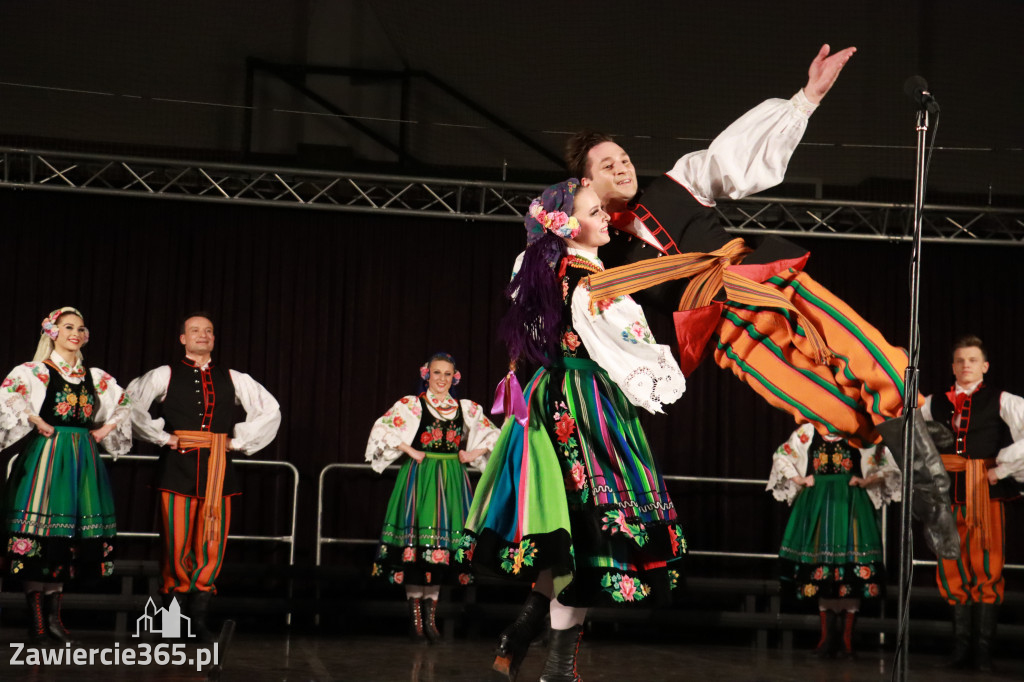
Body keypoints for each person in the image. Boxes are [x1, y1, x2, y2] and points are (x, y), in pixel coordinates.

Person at [565, 44, 958, 559]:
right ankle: (912, 445)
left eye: (625, 157)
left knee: (867, 355)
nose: (623, 167)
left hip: (764, 282)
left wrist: (805, 99)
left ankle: (933, 494)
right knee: (833, 411)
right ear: (585, 182)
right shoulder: (603, 261)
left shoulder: (677, 183)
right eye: (608, 164)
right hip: (726, 334)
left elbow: (734, 157)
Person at [460, 180, 687, 682]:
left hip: (546, 398)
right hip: (586, 408)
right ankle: (558, 670)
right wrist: (668, 367)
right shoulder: (590, 284)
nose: (607, 218)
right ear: (568, 226)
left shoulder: (538, 273)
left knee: (565, 534)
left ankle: (521, 635)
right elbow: (634, 346)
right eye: (595, 211)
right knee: (588, 537)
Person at [126, 312, 281, 641]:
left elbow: (270, 409)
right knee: (174, 545)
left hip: (218, 470)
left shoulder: (234, 377)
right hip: (176, 469)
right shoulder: (165, 375)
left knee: (212, 545)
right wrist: (163, 437)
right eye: (195, 330)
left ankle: (197, 622)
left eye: (208, 331)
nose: (203, 335)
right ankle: (170, 624)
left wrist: (237, 442)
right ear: (182, 338)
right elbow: (130, 404)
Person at [0, 307, 132, 643]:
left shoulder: (95, 376)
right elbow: (9, 394)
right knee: (40, 534)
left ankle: (53, 618)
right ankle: (37, 621)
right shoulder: (35, 371)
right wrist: (35, 419)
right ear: (52, 332)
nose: (75, 332)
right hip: (47, 454)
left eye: (80, 328)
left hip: (81, 458)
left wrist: (106, 430)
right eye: (68, 327)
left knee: (67, 534)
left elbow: (126, 402)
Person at [365, 352, 500, 642]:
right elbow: (381, 428)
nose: (441, 379)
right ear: (427, 374)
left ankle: (431, 619)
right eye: (437, 373)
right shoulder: (413, 405)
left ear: (455, 377)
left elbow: (494, 435)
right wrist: (409, 449)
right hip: (420, 476)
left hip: (451, 477)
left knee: (442, 551)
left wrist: (473, 452)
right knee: (416, 547)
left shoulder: (464, 408)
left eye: (447, 374)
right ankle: (416, 618)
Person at [920, 335, 1024, 672]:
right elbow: (911, 442)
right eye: (961, 360)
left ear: (985, 366)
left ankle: (982, 653)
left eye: (973, 360)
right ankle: (961, 649)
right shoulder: (932, 404)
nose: (966, 365)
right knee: (951, 564)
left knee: (987, 563)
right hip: (946, 492)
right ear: (953, 366)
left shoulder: (1002, 399)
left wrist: (1003, 468)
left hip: (984, 491)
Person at [767, 423, 900, 658]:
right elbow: (782, 455)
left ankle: (847, 639)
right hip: (818, 501)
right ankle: (827, 638)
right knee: (822, 567)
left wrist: (865, 481)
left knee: (849, 569)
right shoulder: (809, 430)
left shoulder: (857, 429)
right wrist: (799, 479)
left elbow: (888, 463)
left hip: (850, 503)